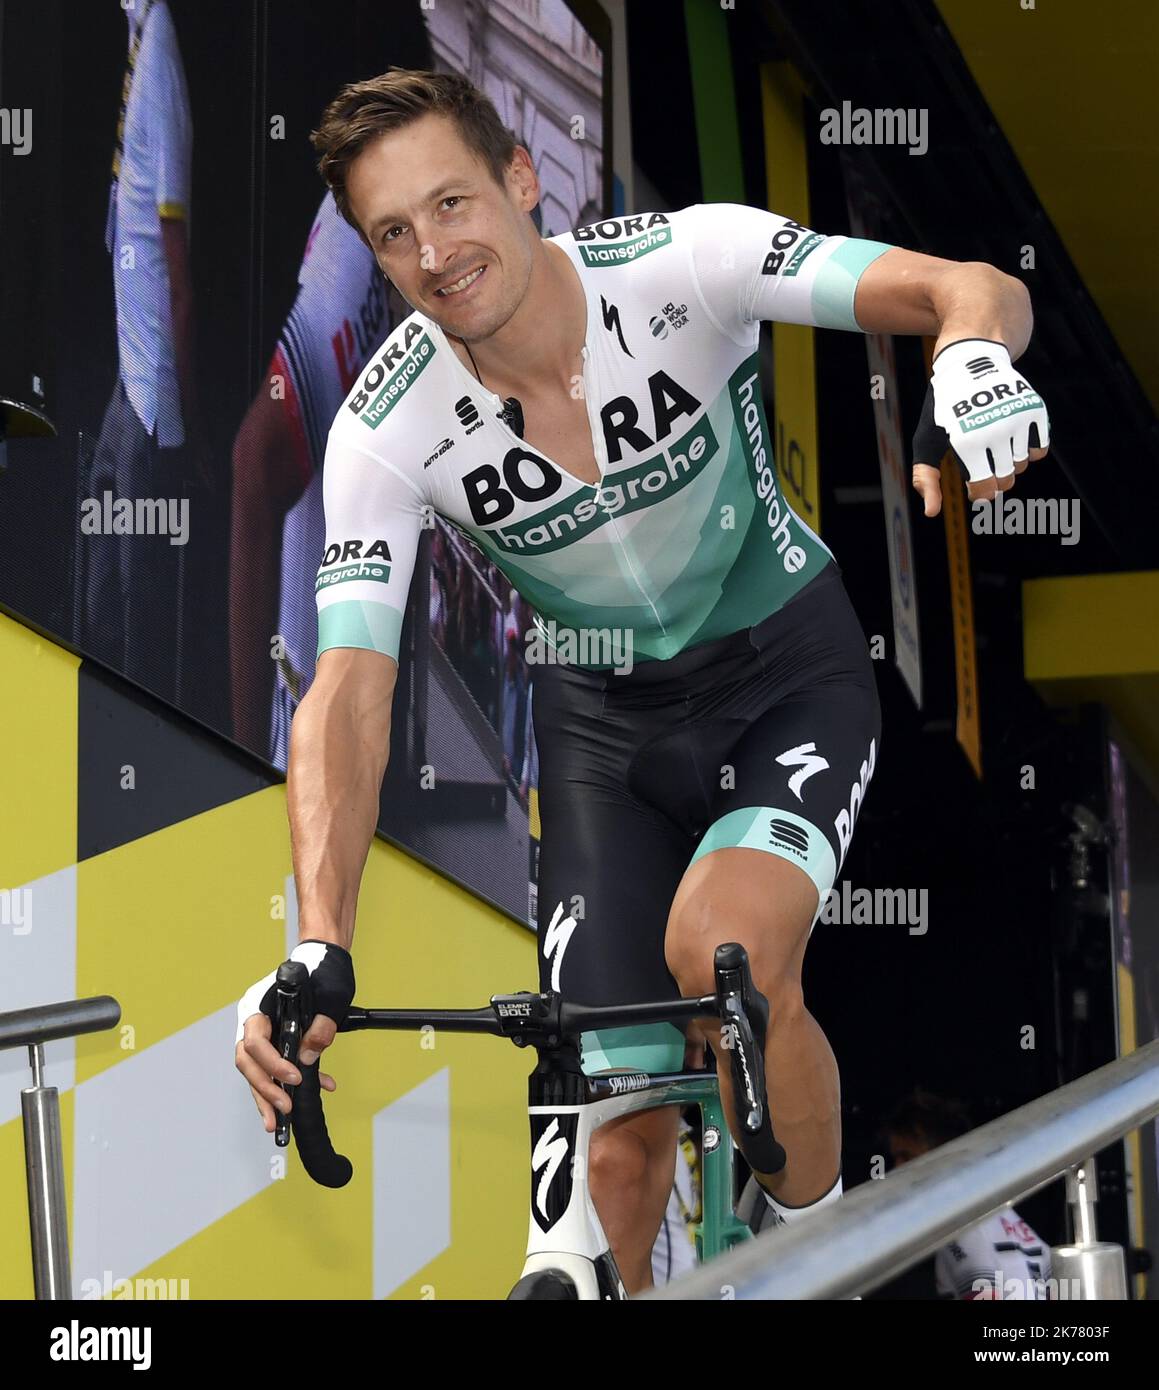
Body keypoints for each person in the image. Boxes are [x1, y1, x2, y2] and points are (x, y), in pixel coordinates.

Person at [236, 68, 1051, 1294]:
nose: (433, 252)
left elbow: (966, 288)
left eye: (452, 203)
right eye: (392, 233)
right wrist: (316, 945)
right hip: (604, 729)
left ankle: (819, 1248)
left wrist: (973, 357)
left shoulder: (683, 263)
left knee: (720, 951)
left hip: (786, 667)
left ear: (522, 179)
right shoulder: (386, 428)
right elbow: (349, 690)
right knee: (614, 1152)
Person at [885, 1089, 1055, 1300]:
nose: (897, 1169)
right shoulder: (1000, 1213)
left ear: (940, 1156)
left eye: (906, 1156)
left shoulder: (962, 1227)